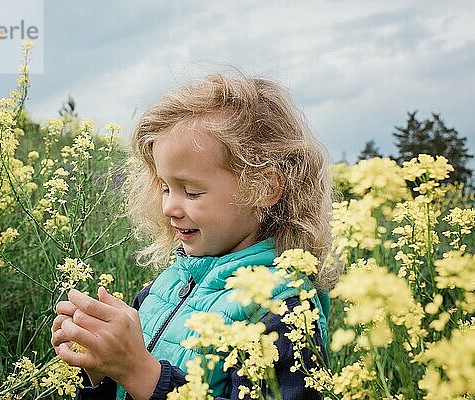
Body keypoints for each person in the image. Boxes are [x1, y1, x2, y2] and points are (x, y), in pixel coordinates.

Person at [51, 72, 340, 400]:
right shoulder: (160, 291)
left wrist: (139, 372)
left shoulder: (282, 309)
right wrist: (101, 371)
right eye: (164, 187)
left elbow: (144, 378)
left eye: (191, 191)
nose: (169, 207)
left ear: (265, 188)